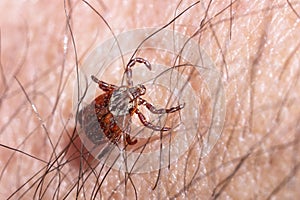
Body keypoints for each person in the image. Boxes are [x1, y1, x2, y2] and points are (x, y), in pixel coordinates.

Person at [0, 0, 299, 199]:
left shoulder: (113, 95)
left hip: (102, 117)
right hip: (104, 120)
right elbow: (145, 119)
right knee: (128, 131)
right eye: (135, 92)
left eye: (134, 91)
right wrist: (162, 120)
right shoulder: (130, 110)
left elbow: (109, 93)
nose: (137, 92)